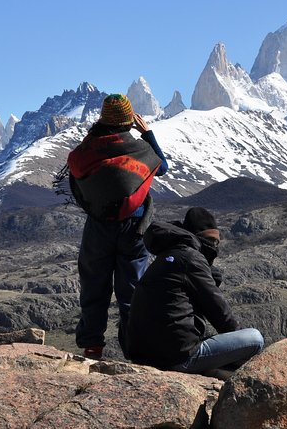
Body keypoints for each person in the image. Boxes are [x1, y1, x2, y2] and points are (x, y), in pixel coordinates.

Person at [67, 93, 168, 360]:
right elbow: (162, 166)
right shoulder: (138, 149)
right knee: (132, 290)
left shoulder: (90, 148)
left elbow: (75, 171)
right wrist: (148, 135)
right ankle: (135, 351)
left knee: (94, 284)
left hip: (98, 226)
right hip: (134, 227)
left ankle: (92, 347)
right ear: (129, 121)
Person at [126, 207, 264, 375]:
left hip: (145, 356)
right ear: (201, 238)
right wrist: (241, 350)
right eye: (213, 241)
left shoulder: (170, 254)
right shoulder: (191, 258)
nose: (215, 247)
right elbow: (218, 310)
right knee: (254, 338)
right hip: (178, 358)